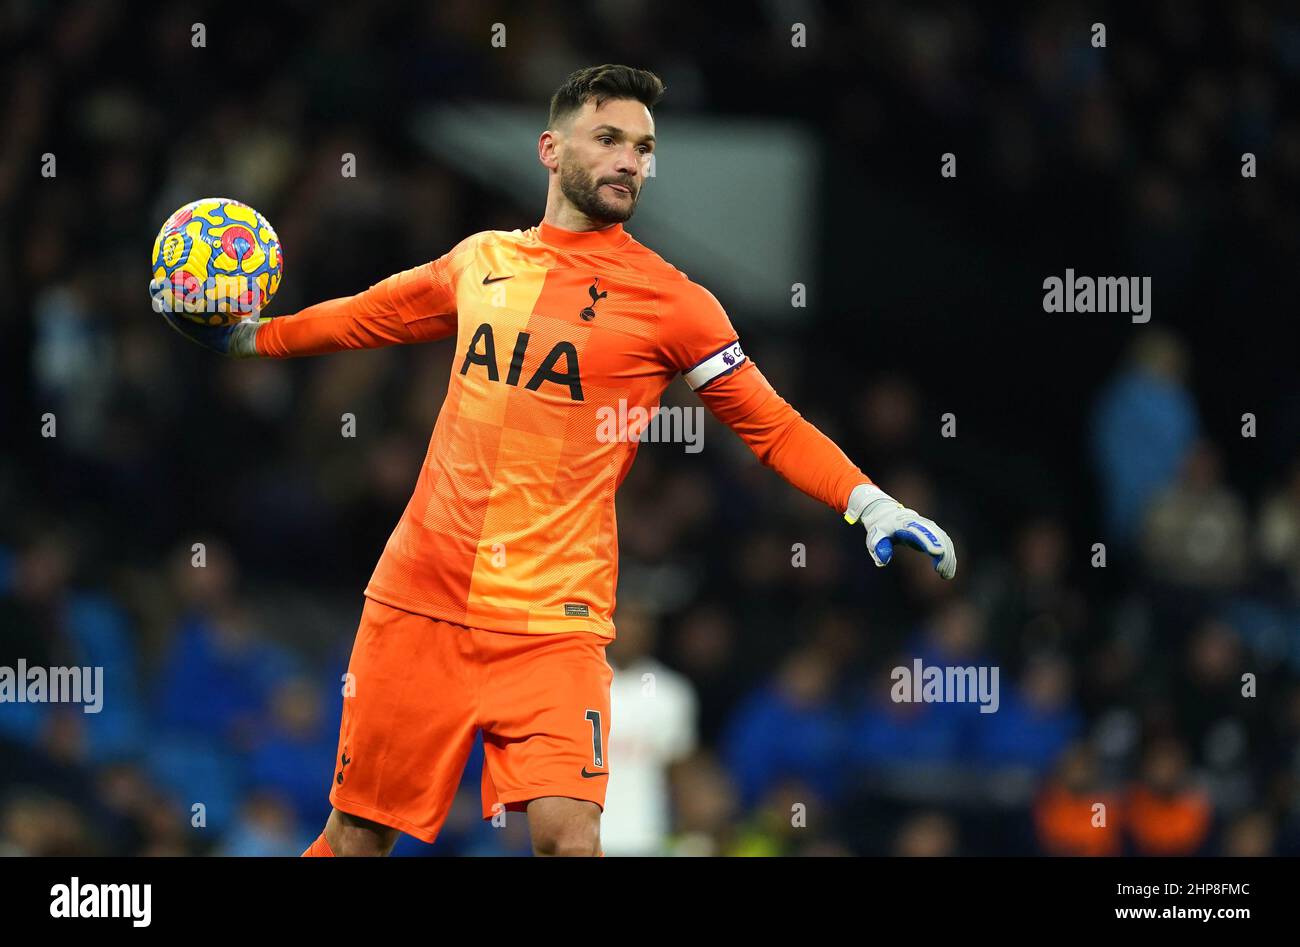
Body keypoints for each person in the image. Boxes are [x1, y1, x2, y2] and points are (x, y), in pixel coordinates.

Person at [155, 64, 956, 857]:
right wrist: (251, 336)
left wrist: (868, 499)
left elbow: (770, 425)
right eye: (608, 138)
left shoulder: (675, 302)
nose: (629, 161)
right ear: (550, 148)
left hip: (553, 620)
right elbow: (369, 317)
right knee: (357, 836)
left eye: (642, 147)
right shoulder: (481, 261)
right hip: (419, 598)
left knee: (569, 839)